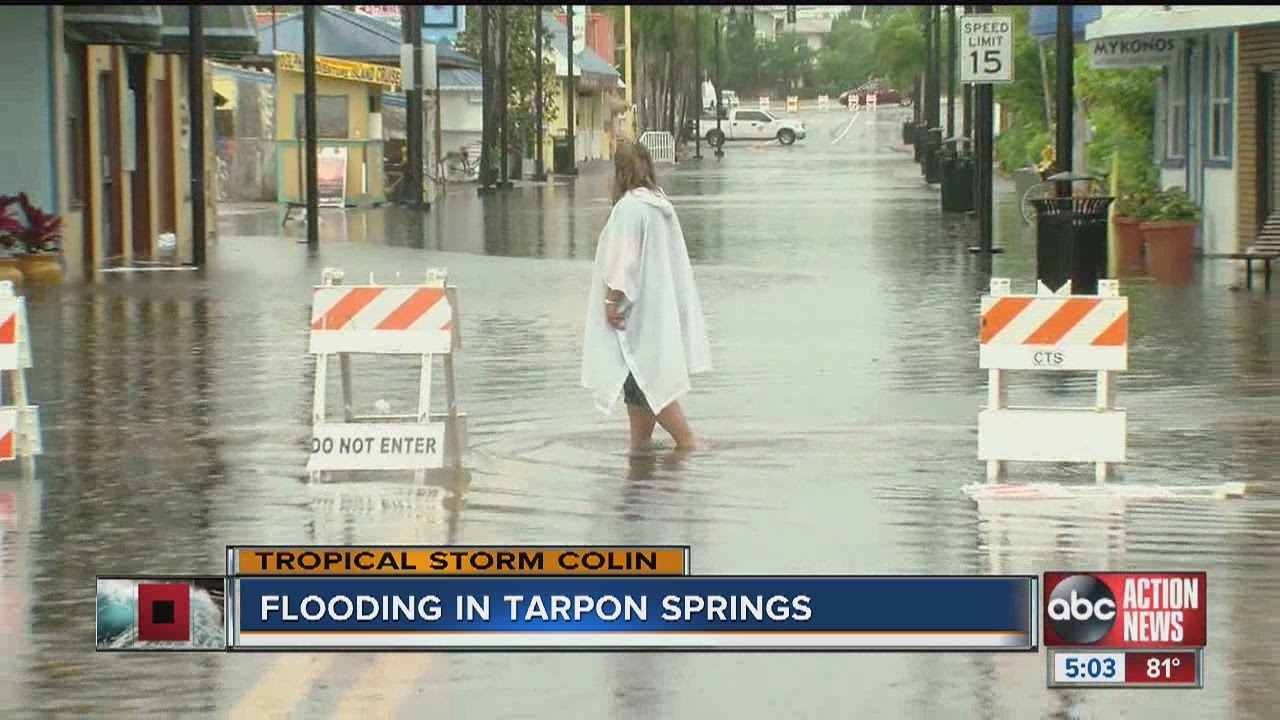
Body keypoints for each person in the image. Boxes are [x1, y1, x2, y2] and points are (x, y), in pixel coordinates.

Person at [580, 140, 712, 452]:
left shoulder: (629, 208)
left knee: (646, 379)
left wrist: (611, 300)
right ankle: (640, 451)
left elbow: (624, 261)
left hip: (635, 311)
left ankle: (688, 443)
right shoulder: (659, 205)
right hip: (658, 308)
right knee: (637, 381)